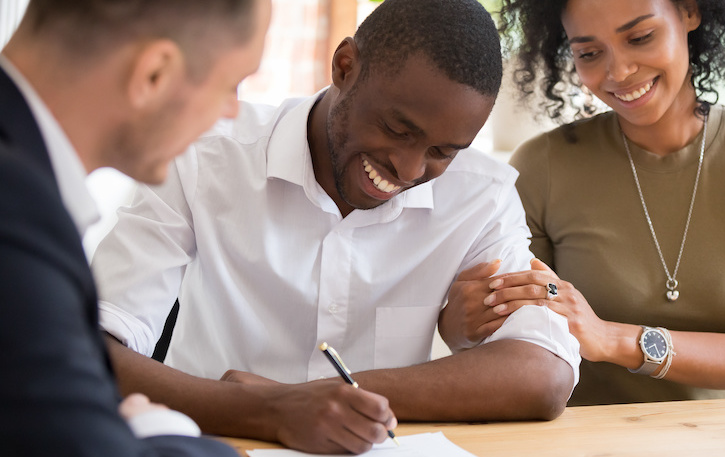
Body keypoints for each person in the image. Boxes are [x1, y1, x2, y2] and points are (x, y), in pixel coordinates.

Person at [90, 0, 581, 454]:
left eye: (441, 152)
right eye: (397, 129)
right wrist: (268, 412)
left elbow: (543, 374)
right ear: (345, 67)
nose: (409, 171)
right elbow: (93, 349)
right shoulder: (204, 156)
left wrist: (323, 397)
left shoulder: (481, 196)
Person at [450, 0, 725, 406]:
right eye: (589, 53)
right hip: (581, 441)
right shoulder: (543, 166)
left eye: (640, 37)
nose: (618, 72)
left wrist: (610, 338)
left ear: (691, 12)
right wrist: (460, 326)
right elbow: (517, 342)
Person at [0, 0, 272, 455]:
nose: (230, 112)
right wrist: (160, 431)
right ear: (153, 75)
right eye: (231, 85)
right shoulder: (17, 218)